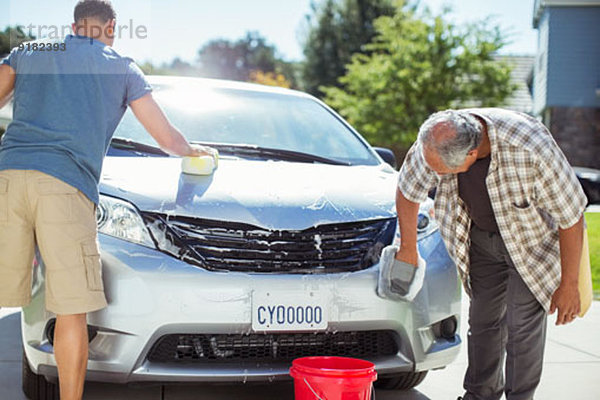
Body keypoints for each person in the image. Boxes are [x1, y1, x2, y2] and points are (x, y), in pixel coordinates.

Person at [0, 1, 215, 399]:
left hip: (8, 179)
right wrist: (195, 151)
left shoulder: (31, 51)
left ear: (73, 26)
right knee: (71, 309)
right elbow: (166, 139)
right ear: (111, 27)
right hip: (64, 187)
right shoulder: (121, 67)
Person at [395, 108, 586, 400]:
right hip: (481, 240)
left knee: (521, 325)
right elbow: (408, 190)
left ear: (471, 155)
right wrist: (408, 248)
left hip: (532, 244)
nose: (436, 176)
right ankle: (480, 394)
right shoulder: (436, 140)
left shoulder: (531, 148)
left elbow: (571, 215)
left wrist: (569, 284)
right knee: (483, 321)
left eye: (443, 172)